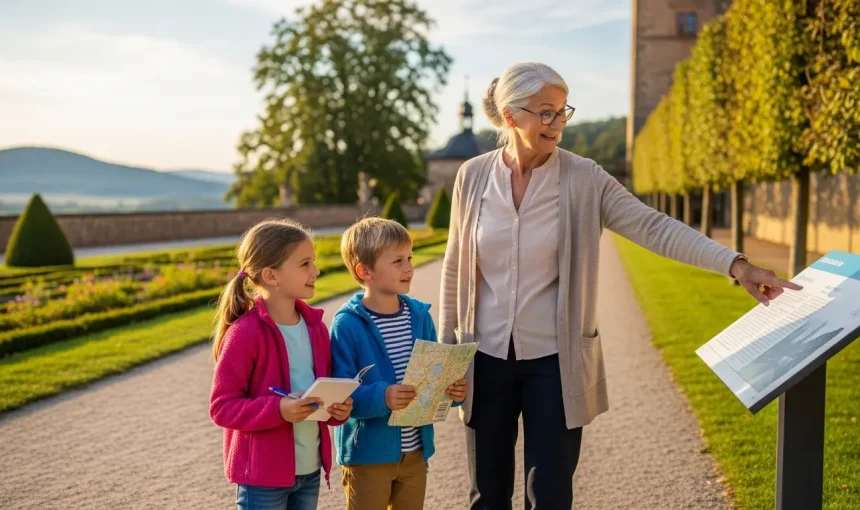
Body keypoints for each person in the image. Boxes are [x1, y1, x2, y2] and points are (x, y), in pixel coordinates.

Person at [438, 61, 803, 510]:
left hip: (555, 361)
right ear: (511, 117)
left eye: (562, 111)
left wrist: (736, 264)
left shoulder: (585, 178)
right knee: (487, 495)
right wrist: (447, 355)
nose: (559, 124)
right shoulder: (472, 177)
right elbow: (455, 267)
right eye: (546, 113)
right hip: (484, 358)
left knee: (549, 495)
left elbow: (656, 227)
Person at [209, 218, 353, 510]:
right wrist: (279, 410)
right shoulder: (245, 333)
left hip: (310, 469)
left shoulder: (316, 327)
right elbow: (222, 407)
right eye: (305, 264)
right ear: (271, 276)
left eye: (313, 262)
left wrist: (337, 410)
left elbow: (320, 393)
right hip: (261, 479)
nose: (316, 270)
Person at [330, 218, 468, 510]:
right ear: (363, 270)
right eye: (397, 261)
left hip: (416, 452)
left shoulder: (420, 316)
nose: (409, 267)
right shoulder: (347, 325)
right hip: (367, 455)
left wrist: (451, 391)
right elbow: (338, 394)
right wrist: (383, 396)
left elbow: (433, 378)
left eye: (409, 258)